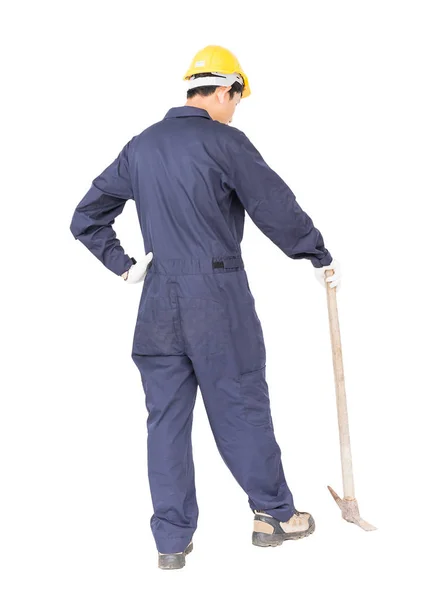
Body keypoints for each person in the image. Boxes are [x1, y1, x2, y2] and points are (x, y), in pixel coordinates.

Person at [70, 45, 341, 570]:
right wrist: (316, 251)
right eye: (236, 99)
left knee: (165, 422)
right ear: (224, 90)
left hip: (157, 305)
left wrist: (124, 264)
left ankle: (170, 541)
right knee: (240, 406)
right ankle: (274, 514)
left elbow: (86, 217)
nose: (236, 109)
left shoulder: (141, 146)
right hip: (216, 300)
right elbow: (273, 206)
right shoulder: (225, 142)